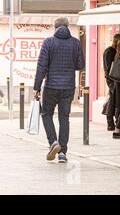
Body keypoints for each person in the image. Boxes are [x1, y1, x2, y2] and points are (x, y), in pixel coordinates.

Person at [33, 17, 85, 163]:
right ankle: (62, 153)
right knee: (64, 118)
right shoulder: (75, 42)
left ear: (55, 28)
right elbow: (80, 65)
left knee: (46, 114)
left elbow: (41, 66)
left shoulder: (49, 42)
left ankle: (53, 142)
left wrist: (36, 87)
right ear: (67, 27)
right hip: (68, 86)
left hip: (50, 86)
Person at [102, 34, 120, 131]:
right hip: (111, 79)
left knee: (113, 99)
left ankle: (112, 122)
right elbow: (108, 67)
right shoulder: (109, 51)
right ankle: (110, 122)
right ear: (117, 41)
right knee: (112, 100)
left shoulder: (114, 51)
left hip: (115, 78)